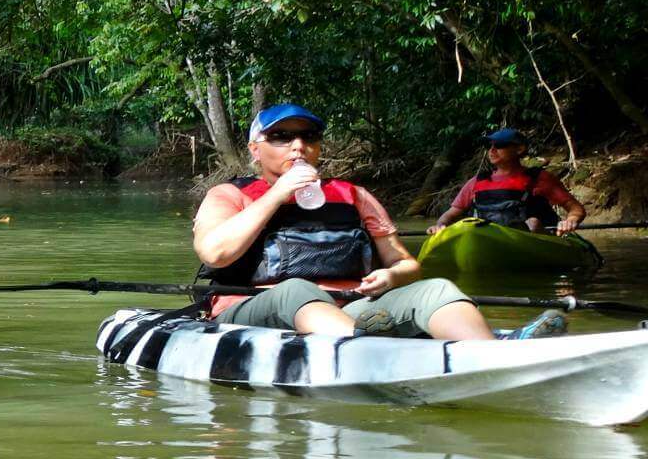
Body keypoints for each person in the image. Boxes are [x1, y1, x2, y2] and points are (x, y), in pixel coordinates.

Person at [191, 104, 562, 339]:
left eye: (308, 136)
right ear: (256, 149)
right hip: (252, 307)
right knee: (297, 289)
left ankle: (490, 356)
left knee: (436, 289)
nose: (298, 145)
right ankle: (367, 348)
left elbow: (406, 264)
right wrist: (277, 194)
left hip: (349, 310)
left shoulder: (354, 195)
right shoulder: (229, 195)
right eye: (281, 137)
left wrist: (392, 277)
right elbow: (216, 253)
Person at [426, 128, 586, 235]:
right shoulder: (477, 182)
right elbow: (449, 215)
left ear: (520, 149)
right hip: (487, 238)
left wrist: (570, 221)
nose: (492, 150)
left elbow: (576, 209)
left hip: (533, 237)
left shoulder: (540, 178)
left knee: (533, 223)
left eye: (500, 145)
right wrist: (441, 226)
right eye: (490, 146)